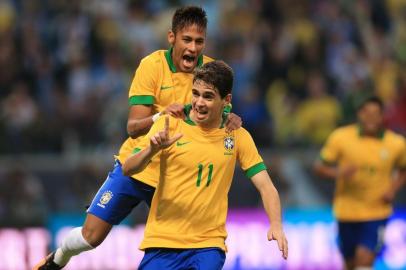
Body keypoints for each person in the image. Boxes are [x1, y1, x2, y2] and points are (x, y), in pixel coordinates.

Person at [34, 6, 241, 270]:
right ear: (171, 38)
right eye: (186, 40)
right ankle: (58, 257)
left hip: (175, 177)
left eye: (198, 41)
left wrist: (231, 117)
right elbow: (133, 127)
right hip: (137, 166)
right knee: (91, 236)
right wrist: (160, 116)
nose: (192, 47)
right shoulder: (151, 66)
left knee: (184, 250)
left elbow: (219, 114)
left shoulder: (210, 74)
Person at [122, 60, 288, 269]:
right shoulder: (169, 124)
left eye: (208, 96)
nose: (199, 102)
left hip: (208, 244)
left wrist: (276, 224)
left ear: (226, 100)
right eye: (196, 94)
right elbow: (128, 168)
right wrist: (152, 150)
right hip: (163, 241)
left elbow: (266, 185)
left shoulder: (236, 135)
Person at [313, 96, 406, 270]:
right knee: (350, 264)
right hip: (346, 211)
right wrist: (339, 172)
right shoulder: (341, 137)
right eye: (367, 113)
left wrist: (393, 189)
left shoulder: (396, 143)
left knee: (364, 262)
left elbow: (403, 168)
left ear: (382, 116)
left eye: (375, 114)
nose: (371, 118)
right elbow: (319, 167)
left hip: (376, 212)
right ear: (359, 114)